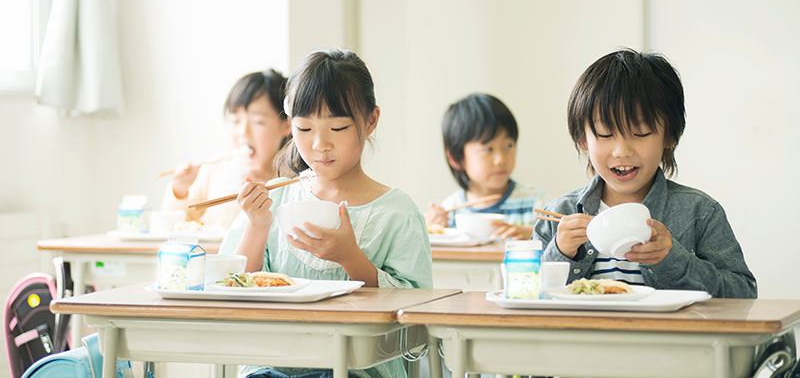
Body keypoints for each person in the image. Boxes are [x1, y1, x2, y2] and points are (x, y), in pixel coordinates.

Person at [226, 49, 432, 378]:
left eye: (337, 129)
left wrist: (351, 258)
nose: (320, 144)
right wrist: (257, 226)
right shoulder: (276, 197)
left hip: (359, 370)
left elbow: (415, 322)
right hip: (273, 366)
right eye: (304, 130)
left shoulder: (397, 212)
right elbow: (235, 284)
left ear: (371, 120)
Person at [534, 49, 757, 298]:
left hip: (669, 338)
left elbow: (743, 295)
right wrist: (560, 253)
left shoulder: (700, 212)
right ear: (582, 139)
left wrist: (673, 261)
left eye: (640, 133)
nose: (622, 151)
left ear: (670, 135)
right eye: (606, 134)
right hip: (584, 338)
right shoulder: (561, 213)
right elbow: (526, 294)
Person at [161, 70, 291, 229]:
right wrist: (180, 189)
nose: (244, 132)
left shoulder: (292, 178)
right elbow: (178, 221)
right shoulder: (215, 168)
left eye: (258, 122)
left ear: (287, 126)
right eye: (236, 121)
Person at [425, 93, 546, 240]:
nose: (500, 159)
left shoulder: (536, 202)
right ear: (456, 158)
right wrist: (433, 231)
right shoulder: (450, 211)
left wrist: (533, 235)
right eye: (488, 149)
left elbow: (557, 247)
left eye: (508, 145)